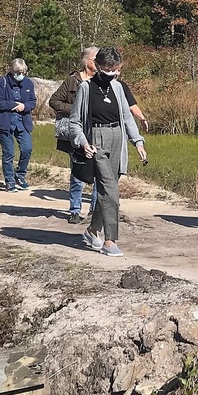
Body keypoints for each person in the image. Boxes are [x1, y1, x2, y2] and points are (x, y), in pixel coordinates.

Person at [69, 47, 147, 257]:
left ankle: (93, 230)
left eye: (118, 69)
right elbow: (74, 122)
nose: (116, 73)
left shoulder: (118, 87)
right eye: (112, 69)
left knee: (106, 191)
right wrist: (83, 143)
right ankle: (110, 241)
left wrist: (137, 141)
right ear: (100, 67)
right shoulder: (85, 88)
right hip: (97, 142)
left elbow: (127, 116)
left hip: (117, 139)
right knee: (111, 192)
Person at [49, 47, 99, 222]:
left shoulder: (101, 81)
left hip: (96, 132)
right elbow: (54, 101)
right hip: (76, 133)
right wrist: (75, 110)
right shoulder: (71, 81)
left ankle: (95, 210)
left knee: (99, 171)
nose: (99, 62)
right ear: (86, 62)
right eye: (95, 59)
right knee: (78, 171)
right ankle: (75, 211)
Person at [0, 59, 37, 192]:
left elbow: (33, 102)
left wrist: (25, 106)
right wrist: (14, 105)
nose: (20, 74)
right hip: (4, 122)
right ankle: (9, 180)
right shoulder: (2, 82)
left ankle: (20, 175)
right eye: (17, 72)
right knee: (9, 152)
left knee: (27, 149)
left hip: (22, 122)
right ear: (11, 71)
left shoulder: (28, 83)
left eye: (23, 72)